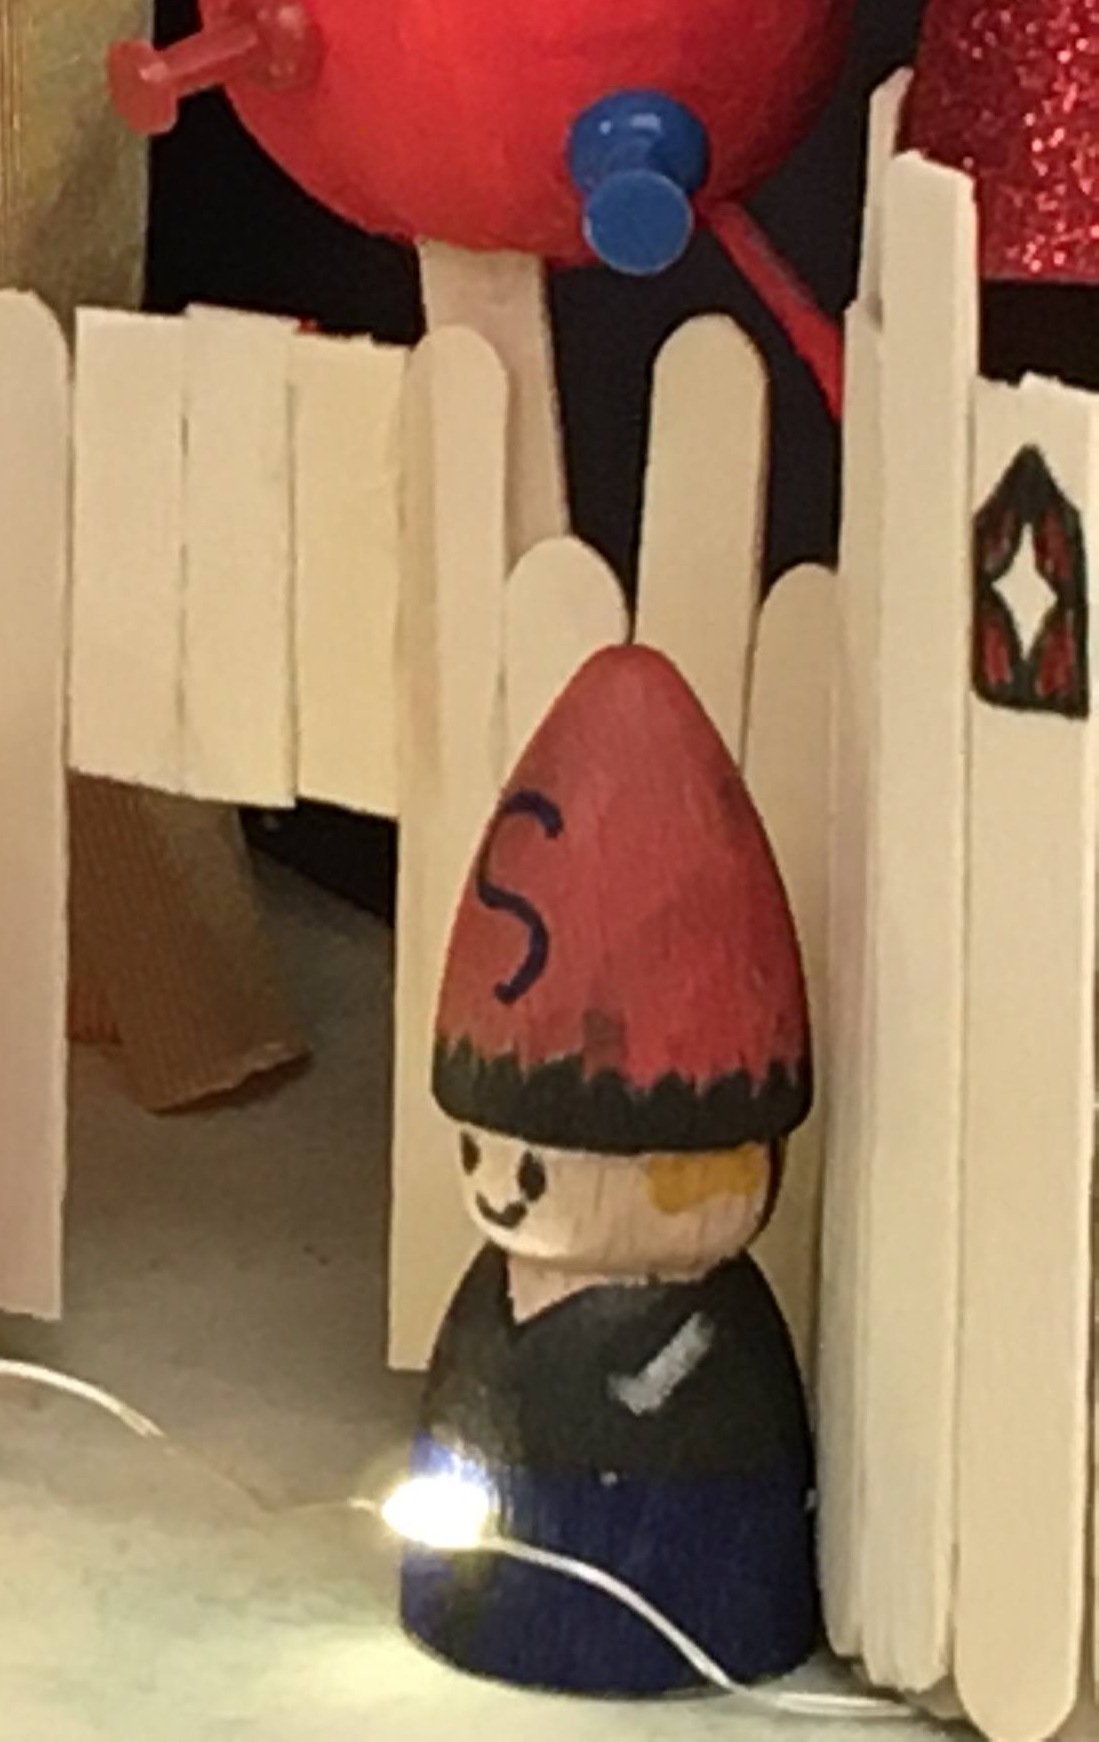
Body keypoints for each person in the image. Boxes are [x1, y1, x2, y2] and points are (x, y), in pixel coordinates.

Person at [402, 643, 816, 1694]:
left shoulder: (711, 1337)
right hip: (489, 1597)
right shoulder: (491, 1306)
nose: (503, 1192)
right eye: (479, 1150)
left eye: (538, 1169)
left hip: (688, 1603)